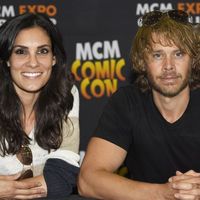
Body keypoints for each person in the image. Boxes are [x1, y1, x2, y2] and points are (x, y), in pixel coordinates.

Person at [78, 9, 200, 200]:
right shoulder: (127, 102)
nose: (169, 66)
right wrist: (164, 193)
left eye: (178, 54)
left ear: (193, 59)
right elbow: (87, 180)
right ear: (143, 61)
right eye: (158, 55)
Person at [0, 13, 80, 199]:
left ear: (54, 58)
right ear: (7, 59)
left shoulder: (66, 95)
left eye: (42, 51)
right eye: (21, 51)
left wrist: (10, 190)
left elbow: (62, 176)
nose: (33, 62)